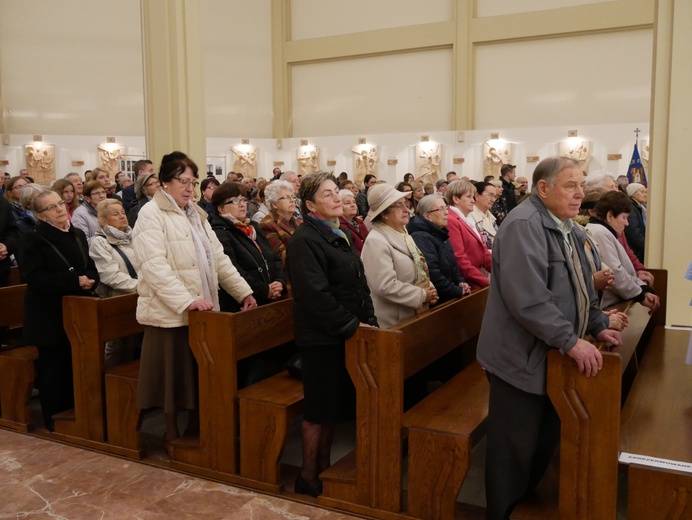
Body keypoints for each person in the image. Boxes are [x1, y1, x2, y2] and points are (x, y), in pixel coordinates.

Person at [477, 157, 622, 520]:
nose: (580, 193)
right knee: (513, 452)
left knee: (540, 443)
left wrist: (597, 323)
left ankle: (521, 506)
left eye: (581, 184)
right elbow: (528, 298)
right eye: (570, 185)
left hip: (546, 355)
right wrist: (571, 341)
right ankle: (501, 513)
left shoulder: (567, 227)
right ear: (543, 188)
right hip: (518, 358)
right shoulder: (524, 225)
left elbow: (579, 287)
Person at [133, 157, 256, 454]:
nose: (190, 189)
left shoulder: (195, 214)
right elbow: (154, 267)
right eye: (182, 181)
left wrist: (243, 292)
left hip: (203, 309)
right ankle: (171, 433)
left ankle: (199, 428)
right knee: (173, 377)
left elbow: (218, 258)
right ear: (164, 182)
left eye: (192, 182)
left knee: (196, 374)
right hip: (171, 312)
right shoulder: (151, 214)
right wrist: (186, 301)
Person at [286, 172, 378, 497]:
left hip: (343, 334)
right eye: (327, 194)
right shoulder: (304, 241)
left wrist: (368, 319)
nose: (336, 198)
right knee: (318, 411)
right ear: (310, 205)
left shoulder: (337, 233)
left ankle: (323, 468)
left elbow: (357, 282)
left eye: (336, 192)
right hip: (321, 339)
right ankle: (308, 477)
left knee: (331, 410)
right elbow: (315, 297)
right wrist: (352, 326)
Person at [20, 191, 99, 431]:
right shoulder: (33, 239)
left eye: (60, 204)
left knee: (73, 364)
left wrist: (90, 279)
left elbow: (90, 266)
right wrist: (75, 280)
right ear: (41, 215)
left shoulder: (76, 233)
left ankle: (76, 411)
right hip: (48, 315)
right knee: (53, 368)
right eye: (51, 207)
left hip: (78, 311)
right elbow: (35, 278)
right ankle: (54, 417)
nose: (59, 209)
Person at [361, 183, 438, 328]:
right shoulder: (376, 241)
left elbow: (419, 265)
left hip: (414, 314)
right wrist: (421, 295)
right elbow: (385, 286)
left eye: (405, 204)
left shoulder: (403, 232)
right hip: (395, 322)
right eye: (398, 206)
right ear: (384, 214)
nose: (406, 210)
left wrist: (430, 290)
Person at [210, 182, 285, 311]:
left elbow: (273, 258)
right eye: (234, 201)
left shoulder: (253, 227)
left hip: (269, 298)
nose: (241, 204)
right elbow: (234, 269)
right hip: (243, 302)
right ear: (221, 209)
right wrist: (265, 290)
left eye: (243, 200)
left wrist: (279, 282)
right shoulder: (220, 233)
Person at [585, 191, 660, 312]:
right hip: (609, 305)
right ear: (610, 216)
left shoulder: (605, 231)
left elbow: (624, 270)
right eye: (624, 217)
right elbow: (614, 271)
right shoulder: (599, 232)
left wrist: (642, 288)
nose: (627, 223)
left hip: (617, 300)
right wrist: (640, 294)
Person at [89, 199, 141, 368]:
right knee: (116, 346)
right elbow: (109, 275)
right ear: (103, 220)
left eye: (123, 212)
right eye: (115, 214)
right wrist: (140, 285)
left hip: (139, 297)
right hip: (117, 300)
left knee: (134, 343)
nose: (122, 216)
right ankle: (108, 381)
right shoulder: (100, 242)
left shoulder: (134, 237)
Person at [407, 194, 470, 304]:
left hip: (450, 295)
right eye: (441, 209)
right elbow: (433, 273)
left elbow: (452, 265)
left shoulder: (440, 231)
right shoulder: (421, 237)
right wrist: (456, 290)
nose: (446, 212)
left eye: (446, 208)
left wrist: (460, 282)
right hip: (439, 301)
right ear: (427, 216)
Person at [445, 179, 492, 290]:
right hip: (467, 282)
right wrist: (485, 281)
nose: (473, 201)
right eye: (468, 197)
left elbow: (483, 251)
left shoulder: (467, 218)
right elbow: (459, 258)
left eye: (473, 197)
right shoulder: (451, 220)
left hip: (476, 277)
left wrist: (502, 272)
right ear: (456, 199)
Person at [259, 180, 302, 267]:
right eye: (286, 197)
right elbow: (281, 258)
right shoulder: (266, 225)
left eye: (293, 196)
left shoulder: (298, 222)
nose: (292, 200)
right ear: (274, 204)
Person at [337, 189, 369, 255]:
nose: (352, 205)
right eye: (347, 203)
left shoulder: (360, 223)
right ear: (339, 206)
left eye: (354, 202)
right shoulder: (339, 227)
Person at [470, 181, 498, 251]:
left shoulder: (491, 218)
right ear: (477, 196)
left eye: (495, 196)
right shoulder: (470, 217)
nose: (493, 200)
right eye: (490, 195)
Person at [624, 182, 647, 263]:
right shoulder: (631, 208)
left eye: (646, 192)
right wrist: (646, 248)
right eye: (642, 192)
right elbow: (634, 232)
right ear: (633, 194)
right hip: (635, 250)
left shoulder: (640, 207)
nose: (645, 195)